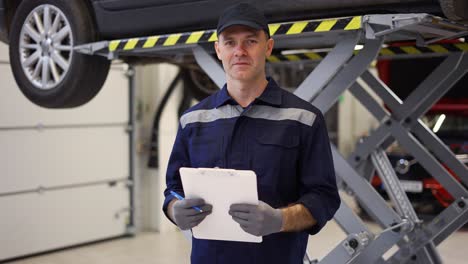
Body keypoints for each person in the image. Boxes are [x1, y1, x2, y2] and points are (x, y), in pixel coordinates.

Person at [163, 3, 341, 263]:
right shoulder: (193, 120)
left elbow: (324, 198)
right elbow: (173, 189)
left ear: (268, 47)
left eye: (250, 41)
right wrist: (174, 209)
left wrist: (280, 220)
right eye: (230, 42)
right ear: (218, 50)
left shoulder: (303, 119)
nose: (240, 51)